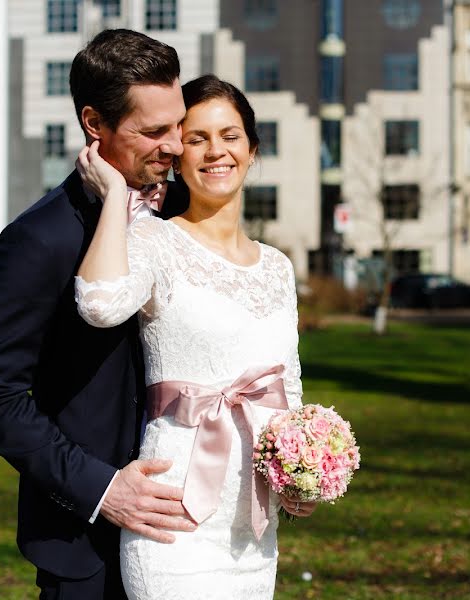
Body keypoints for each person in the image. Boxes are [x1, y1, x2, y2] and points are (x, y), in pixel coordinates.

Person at [0, 29, 196, 599]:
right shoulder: (38, 239)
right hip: (86, 549)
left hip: (195, 533)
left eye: (178, 125)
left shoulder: (188, 215)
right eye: (152, 131)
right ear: (95, 124)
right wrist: (103, 490)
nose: (176, 147)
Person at [74, 74, 316, 599]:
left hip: (254, 528)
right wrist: (117, 194)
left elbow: (288, 388)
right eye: (197, 138)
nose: (215, 152)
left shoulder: (277, 266)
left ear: (252, 150)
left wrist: (302, 474)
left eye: (230, 136)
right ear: (178, 155)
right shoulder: (154, 238)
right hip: (172, 518)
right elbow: (99, 304)